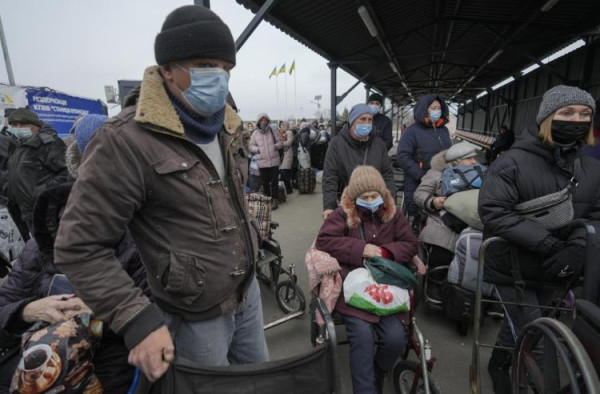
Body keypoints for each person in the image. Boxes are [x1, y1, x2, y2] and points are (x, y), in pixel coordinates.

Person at [54, 5, 267, 384]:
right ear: (167, 68)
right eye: (204, 65)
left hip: (247, 296)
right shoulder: (125, 141)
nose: (218, 79)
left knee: (258, 383)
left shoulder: (228, 126)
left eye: (225, 68)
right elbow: (79, 246)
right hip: (196, 317)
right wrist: (137, 319)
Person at [0, 113, 148, 393]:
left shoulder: (141, 239)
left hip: (107, 361)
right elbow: (5, 307)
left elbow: (158, 318)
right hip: (33, 361)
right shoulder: (48, 236)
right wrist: (29, 310)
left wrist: (97, 315)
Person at [478, 85, 600, 393]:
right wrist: (549, 244)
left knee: (527, 324)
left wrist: (578, 247)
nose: (577, 120)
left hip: (556, 269)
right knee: (542, 339)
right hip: (513, 266)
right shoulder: (511, 162)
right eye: (567, 113)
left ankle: (499, 363)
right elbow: (494, 211)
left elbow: (597, 216)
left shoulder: (593, 170)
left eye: (584, 114)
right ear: (547, 117)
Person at [316, 166, 421, 394]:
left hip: (387, 288)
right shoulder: (342, 214)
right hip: (354, 289)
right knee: (362, 338)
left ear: (383, 194)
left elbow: (411, 244)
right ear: (355, 197)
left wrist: (385, 252)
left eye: (375, 196)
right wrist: (362, 249)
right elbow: (324, 241)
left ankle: (378, 370)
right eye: (365, 197)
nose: (371, 200)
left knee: (395, 339)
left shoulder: (394, 214)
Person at [413, 141, 482, 303]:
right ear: (456, 161)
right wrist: (433, 201)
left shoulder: (481, 174)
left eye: (474, 158)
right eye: (469, 158)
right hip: (442, 220)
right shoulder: (436, 174)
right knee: (442, 246)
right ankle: (435, 282)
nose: (474, 161)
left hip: (473, 223)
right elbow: (420, 193)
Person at [322, 104, 396, 220]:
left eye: (369, 120)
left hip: (375, 204)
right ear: (352, 121)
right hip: (347, 204)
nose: (366, 123)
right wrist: (329, 206)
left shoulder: (379, 144)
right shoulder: (337, 144)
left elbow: (387, 175)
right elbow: (330, 176)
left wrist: (391, 202)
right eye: (362, 119)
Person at [6, 108, 68, 238]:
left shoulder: (49, 144)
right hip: (26, 212)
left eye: (23, 124)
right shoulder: (18, 145)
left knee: (51, 250)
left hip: (45, 212)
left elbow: (67, 173)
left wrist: (40, 192)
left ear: (35, 126)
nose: (18, 128)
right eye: (14, 125)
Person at [397, 95, 452, 216]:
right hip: (420, 181)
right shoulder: (412, 131)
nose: (437, 111)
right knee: (421, 212)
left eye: (439, 108)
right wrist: (421, 175)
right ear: (424, 109)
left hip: (443, 181)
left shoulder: (444, 130)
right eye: (433, 108)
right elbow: (402, 156)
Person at [250, 113, 283, 209]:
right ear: (259, 122)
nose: (263, 122)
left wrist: (275, 146)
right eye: (262, 120)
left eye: (265, 120)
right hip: (262, 162)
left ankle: (275, 200)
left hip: (274, 161)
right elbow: (251, 146)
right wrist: (257, 149)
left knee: (274, 182)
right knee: (265, 183)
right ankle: (268, 200)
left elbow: (280, 143)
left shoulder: (273, 131)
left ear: (268, 121)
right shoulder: (255, 134)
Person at [278, 120, 294, 194]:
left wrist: (281, 144)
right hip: (283, 155)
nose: (282, 127)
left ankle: (289, 189)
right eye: (281, 125)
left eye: (283, 125)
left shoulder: (289, 132)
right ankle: (286, 189)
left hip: (287, 154)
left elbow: (289, 142)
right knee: (283, 172)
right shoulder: (281, 133)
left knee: (284, 171)